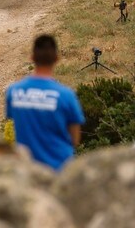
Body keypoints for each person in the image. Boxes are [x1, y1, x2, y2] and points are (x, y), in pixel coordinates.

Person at [6, 35, 85, 171]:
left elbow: (13, 122)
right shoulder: (66, 96)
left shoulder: (14, 92)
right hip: (60, 169)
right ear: (56, 59)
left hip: (28, 171)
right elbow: (75, 139)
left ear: (32, 58)